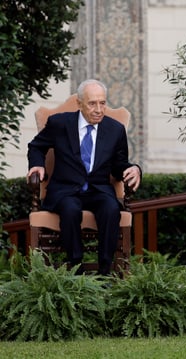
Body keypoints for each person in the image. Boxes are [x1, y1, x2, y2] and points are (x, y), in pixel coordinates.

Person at [27, 79, 141, 275]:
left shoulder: (115, 130)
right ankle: (76, 268)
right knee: (71, 210)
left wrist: (134, 169)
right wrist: (37, 164)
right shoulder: (59, 123)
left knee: (111, 208)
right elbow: (36, 146)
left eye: (102, 103)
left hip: (98, 190)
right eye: (92, 103)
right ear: (79, 104)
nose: (98, 109)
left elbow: (118, 165)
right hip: (66, 190)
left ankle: (105, 271)